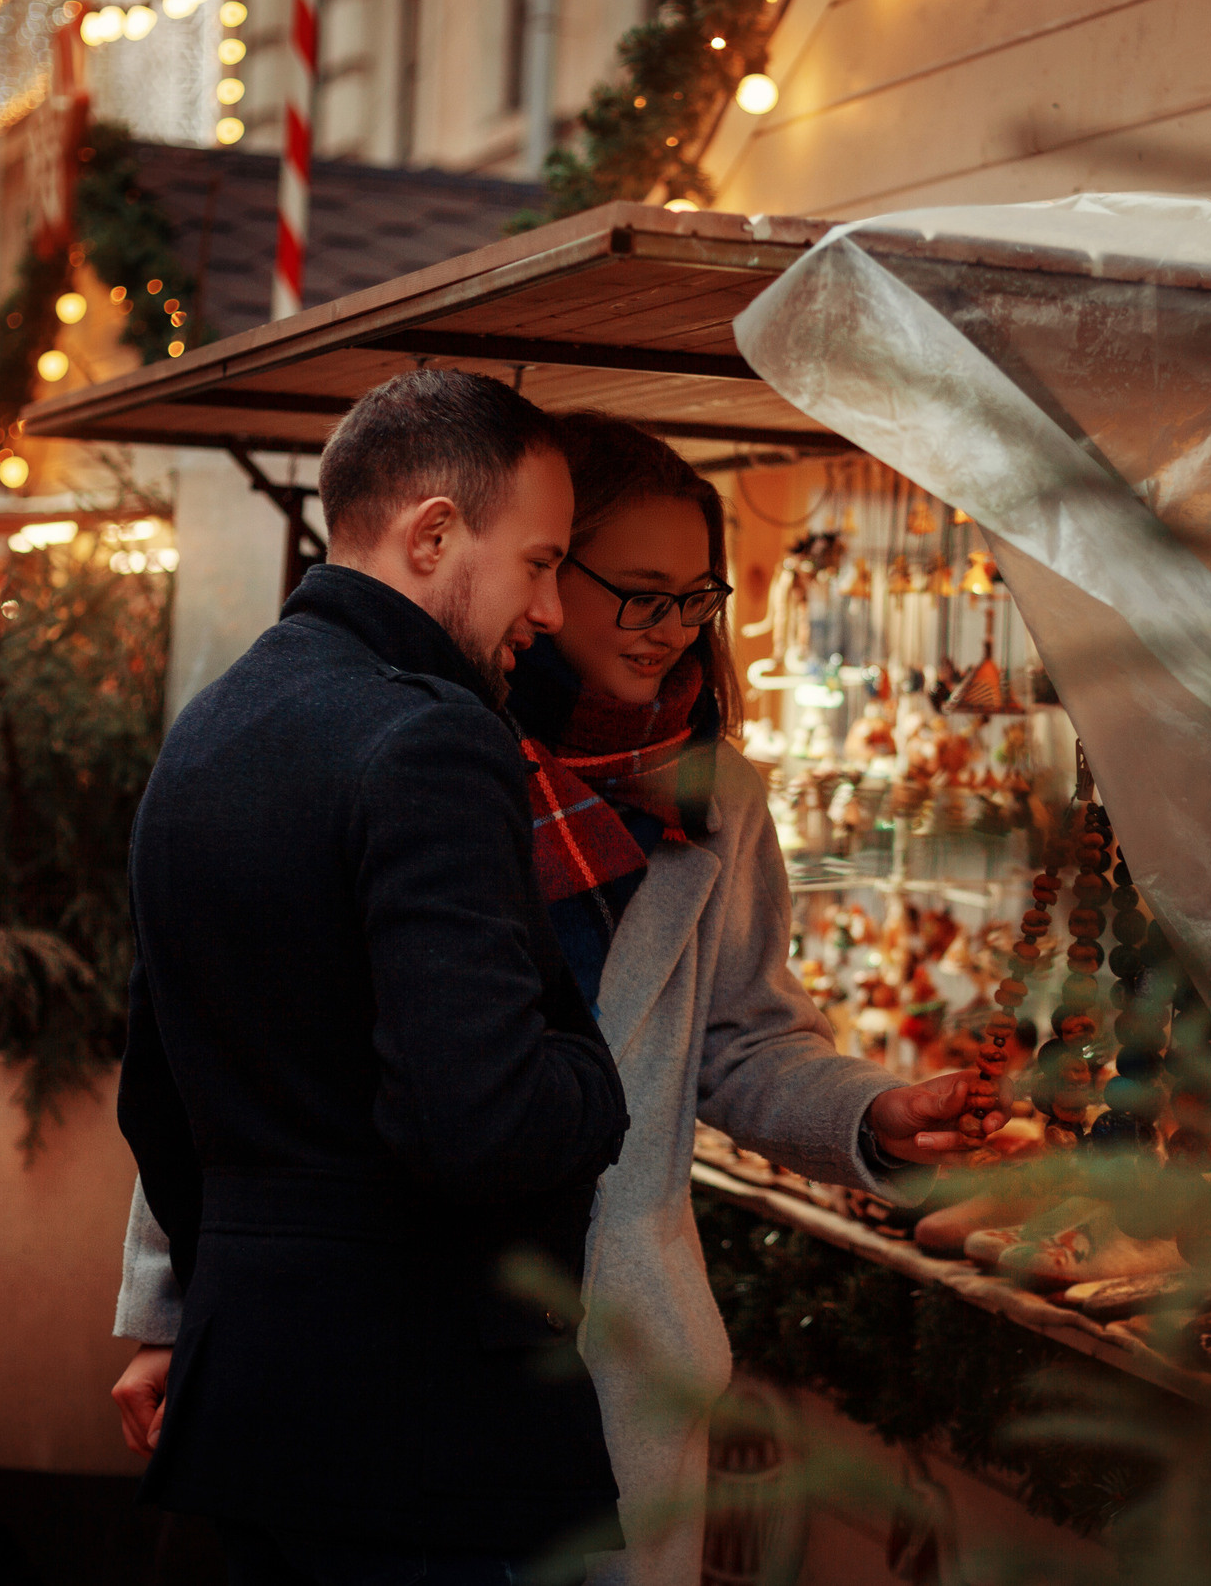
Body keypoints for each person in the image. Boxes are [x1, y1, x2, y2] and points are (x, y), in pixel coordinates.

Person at [113, 414, 996, 1585]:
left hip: (619, 1343)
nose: (672, 627)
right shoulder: (412, 745)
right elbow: (233, 1047)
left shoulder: (711, 800)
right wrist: (171, 1306)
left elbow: (743, 1039)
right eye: (636, 592)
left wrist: (868, 1113)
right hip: (411, 1342)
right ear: (544, 560)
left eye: (697, 597)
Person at [113, 370, 633, 1585]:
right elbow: (480, 1122)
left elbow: (156, 1093)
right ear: (433, 534)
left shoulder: (208, 727)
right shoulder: (434, 738)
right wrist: (591, 1080)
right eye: (539, 563)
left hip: (248, 1411)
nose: (551, 609)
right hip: (421, 1432)